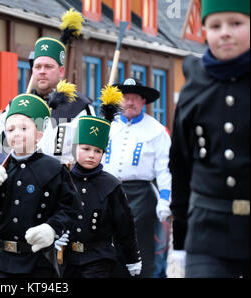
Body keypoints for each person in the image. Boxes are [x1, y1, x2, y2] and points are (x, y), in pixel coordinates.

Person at [169, 0, 249, 278]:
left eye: (236, 23)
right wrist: (179, 242)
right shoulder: (195, 88)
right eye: (215, 26)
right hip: (207, 233)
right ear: (205, 31)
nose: (224, 32)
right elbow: (180, 167)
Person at [0, 93, 81, 278]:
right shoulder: (1, 170)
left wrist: (52, 228)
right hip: (3, 262)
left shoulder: (53, 168)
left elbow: (71, 208)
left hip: (39, 264)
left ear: (39, 135)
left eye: (24, 128)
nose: (16, 134)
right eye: (10, 129)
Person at [57, 87, 141, 278]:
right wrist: (55, 232)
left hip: (99, 259)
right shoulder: (64, 179)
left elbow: (125, 226)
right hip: (68, 260)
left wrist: (132, 258)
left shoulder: (111, 185)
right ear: (76, 147)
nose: (91, 155)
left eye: (97, 151)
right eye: (86, 149)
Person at [101, 78, 172, 278]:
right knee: (109, 246)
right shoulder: (107, 125)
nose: (129, 102)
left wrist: (165, 200)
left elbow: (165, 169)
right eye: (125, 97)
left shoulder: (157, 131)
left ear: (143, 102)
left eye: (134, 98)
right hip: (109, 192)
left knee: (143, 250)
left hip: (142, 197)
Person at [0, 36, 95, 165]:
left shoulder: (79, 106)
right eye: (38, 67)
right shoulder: (17, 104)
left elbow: (89, 152)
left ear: (61, 71)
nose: (42, 72)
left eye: (48, 67)